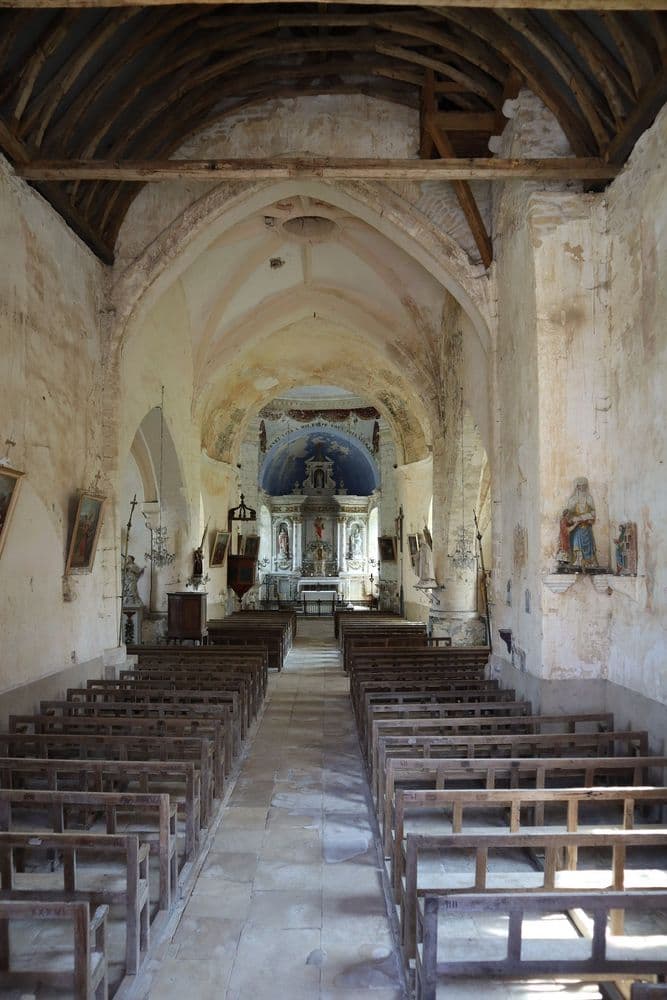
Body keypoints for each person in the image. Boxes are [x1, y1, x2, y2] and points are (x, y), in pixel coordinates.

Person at [565, 477, 598, 569]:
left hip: (587, 527)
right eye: (580, 486)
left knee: (589, 546)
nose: (582, 488)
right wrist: (575, 518)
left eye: (584, 486)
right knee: (577, 544)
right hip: (577, 528)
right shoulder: (572, 499)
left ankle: (589, 562)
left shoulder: (589, 498)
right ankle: (578, 561)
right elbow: (568, 514)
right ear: (577, 487)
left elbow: (593, 513)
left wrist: (584, 517)